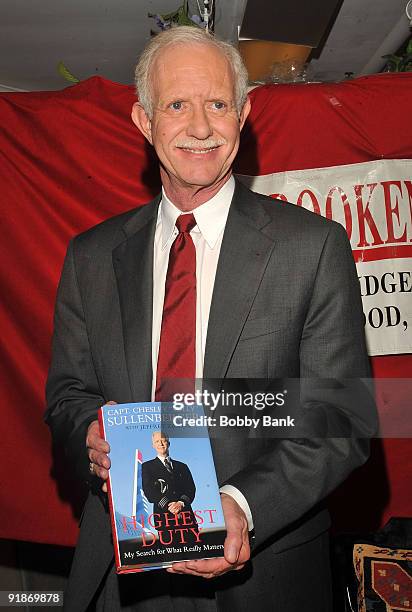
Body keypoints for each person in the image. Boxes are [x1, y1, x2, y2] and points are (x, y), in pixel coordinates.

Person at [45, 25, 376, 611]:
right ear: (144, 121)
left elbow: (341, 421)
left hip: (263, 576)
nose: (200, 127)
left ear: (243, 114)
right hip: (121, 576)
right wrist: (88, 434)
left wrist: (243, 505)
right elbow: (69, 395)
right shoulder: (91, 257)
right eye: (177, 104)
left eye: (217, 103)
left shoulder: (312, 247)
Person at [142, 431, 199, 543]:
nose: (161, 444)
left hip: (186, 518)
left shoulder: (182, 466)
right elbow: (149, 491)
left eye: (163, 440)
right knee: (171, 556)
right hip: (164, 519)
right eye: (157, 441)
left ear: (168, 443)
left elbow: (191, 488)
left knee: (195, 551)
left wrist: (180, 503)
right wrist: (169, 505)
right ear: (153, 445)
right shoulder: (147, 467)